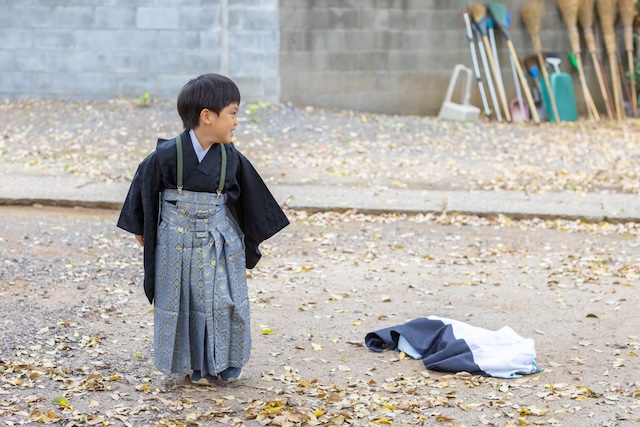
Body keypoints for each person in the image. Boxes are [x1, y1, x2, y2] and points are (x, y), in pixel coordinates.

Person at [117, 73, 289, 385]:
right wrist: (141, 227)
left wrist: (245, 238)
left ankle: (222, 363)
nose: (236, 121)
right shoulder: (167, 154)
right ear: (207, 117)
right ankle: (191, 364)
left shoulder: (230, 157)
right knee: (183, 303)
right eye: (233, 113)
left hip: (217, 240)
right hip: (175, 241)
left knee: (223, 301)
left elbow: (250, 199)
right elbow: (144, 186)